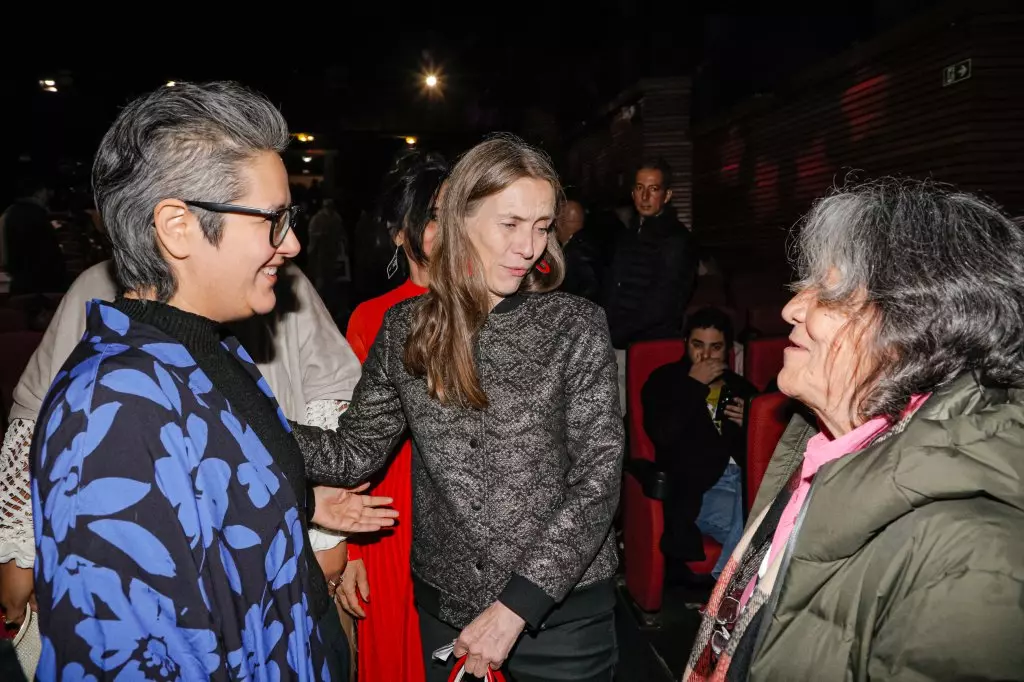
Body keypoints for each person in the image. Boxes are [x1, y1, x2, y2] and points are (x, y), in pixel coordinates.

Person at [28, 81, 396, 680]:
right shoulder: (111, 407)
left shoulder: (210, 352)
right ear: (177, 227)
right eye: (272, 220)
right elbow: (129, 659)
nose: (293, 243)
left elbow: (203, 505)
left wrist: (293, 501)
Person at [291, 135, 623, 681]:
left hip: (562, 620)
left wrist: (516, 607)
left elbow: (596, 481)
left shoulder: (575, 326)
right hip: (449, 615)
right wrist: (245, 414)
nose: (530, 246)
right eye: (510, 223)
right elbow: (351, 454)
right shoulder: (407, 328)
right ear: (460, 220)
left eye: (543, 226)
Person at [685, 178, 1024, 681]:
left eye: (830, 292)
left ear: (914, 326)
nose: (792, 308)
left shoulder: (974, 560)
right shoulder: (820, 445)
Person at [0, 258, 364, 678]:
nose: (289, 243)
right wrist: (20, 552)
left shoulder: (272, 281)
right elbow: (35, 427)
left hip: (286, 578)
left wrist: (323, 534)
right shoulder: (103, 343)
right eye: (267, 216)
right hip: (179, 599)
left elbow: (321, 414)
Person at [340, 150, 448, 682]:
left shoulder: (493, 306)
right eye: (431, 216)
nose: (445, 229)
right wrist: (351, 548)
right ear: (399, 233)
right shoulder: (369, 317)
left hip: (465, 508)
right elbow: (349, 438)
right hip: (390, 504)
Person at [642, 307, 757, 583]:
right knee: (758, 527)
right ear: (686, 344)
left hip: (743, 485)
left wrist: (752, 427)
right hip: (695, 492)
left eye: (715, 347)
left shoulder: (741, 388)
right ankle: (728, 595)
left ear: (728, 350)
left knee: (766, 510)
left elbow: (765, 456)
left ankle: (724, 593)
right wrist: (694, 386)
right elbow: (663, 435)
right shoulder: (665, 381)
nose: (705, 356)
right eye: (698, 345)